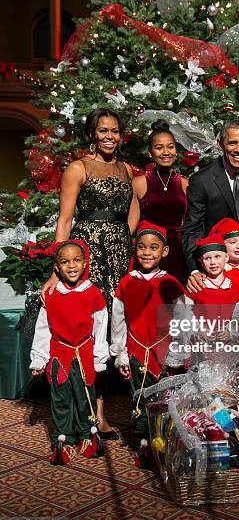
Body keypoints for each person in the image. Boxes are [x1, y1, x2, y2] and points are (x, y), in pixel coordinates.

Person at [41, 107, 139, 439]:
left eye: (115, 131)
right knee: (90, 326)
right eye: (103, 131)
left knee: (114, 324)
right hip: (88, 253)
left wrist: (122, 240)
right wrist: (58, 267)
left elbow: (132, 211)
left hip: (119, 254)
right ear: (92, 134)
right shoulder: (77, 168)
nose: (110, 136)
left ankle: (101, 414)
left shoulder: (126, 169)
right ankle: (87, 413)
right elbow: (65, 220)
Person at [30, 240, 109, 465]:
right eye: (65, 262)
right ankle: (63, 439)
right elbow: (43, 328)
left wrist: (98, 357)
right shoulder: (51, 295)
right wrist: (39, 358)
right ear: (57, 268)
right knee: (61, 398)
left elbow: (100, 327)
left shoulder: (93, 293)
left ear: (85, 264)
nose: (71, 266)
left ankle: (87, 435)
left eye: (76, 260)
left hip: (84, 353)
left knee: (85, 397)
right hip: (59, 354)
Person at [110, 222, 185, 449]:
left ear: (164, 251)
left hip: (165, 352)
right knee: (139, 396)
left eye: (153, 248)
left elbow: (184, 319)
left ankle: (164, 440)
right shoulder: (126, 282)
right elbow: (118, 321)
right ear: (136, 249)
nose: (147, 252)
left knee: (166, 397)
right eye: (142, 247)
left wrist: (180, 349)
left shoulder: (171, 283)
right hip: (136, 351)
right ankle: (143, 440)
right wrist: (119, 353)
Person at [183, 120, 239, 290]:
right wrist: (193, 271)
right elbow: (192, 229)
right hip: (213, 270)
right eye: (232, 143)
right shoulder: (202, 180)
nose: (238, 149)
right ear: (220, 144)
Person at [166, 233, 239, 368]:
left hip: (225, 348)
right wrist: (198, 330)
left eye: (217, 257)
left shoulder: (234, 288)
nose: (213, 262)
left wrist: (230, 330)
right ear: (201, 262)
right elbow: (181, 313)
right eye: (207, 258)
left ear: (226, 257)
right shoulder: (197, 286)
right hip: (200, 349)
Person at [133, 120, 188, 283]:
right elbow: (131, 223)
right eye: (159, 147)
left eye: (170, 147)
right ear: (151, 152)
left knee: (174, 302)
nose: (166, 152)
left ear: (176, 150)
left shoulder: (185, 184)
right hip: (149, 251)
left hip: (177, 251)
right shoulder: (139, 183)